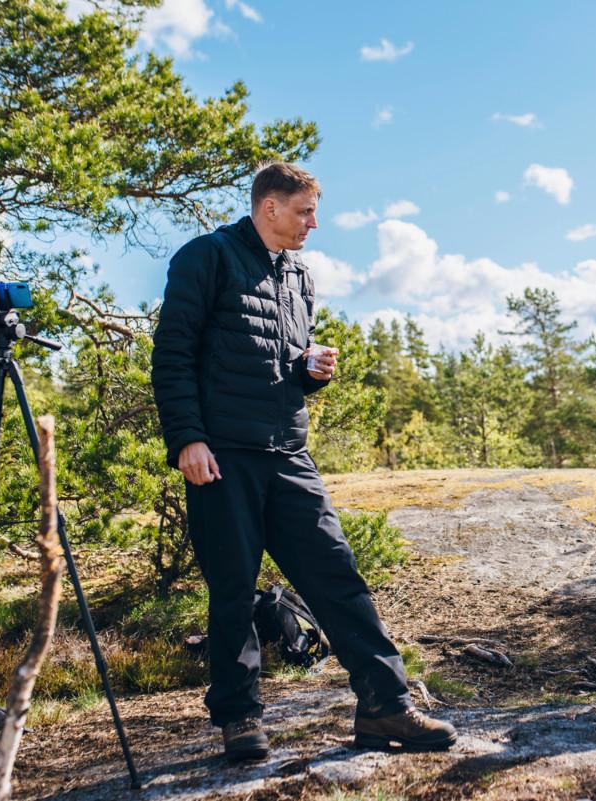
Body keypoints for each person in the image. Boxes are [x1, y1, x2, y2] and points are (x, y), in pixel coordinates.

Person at [151, 161, 456, 760]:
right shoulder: (205, 257)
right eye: (304, 211)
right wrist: (188, 438)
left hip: (288, 452)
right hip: (222, 455)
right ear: (270, 206)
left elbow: (278, 362)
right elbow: (173, 354)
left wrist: (309, 370)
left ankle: (384, 707)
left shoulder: (299, 276)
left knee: (337, 576)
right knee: (233, 591)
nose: (313, 223)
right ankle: (240, 720)